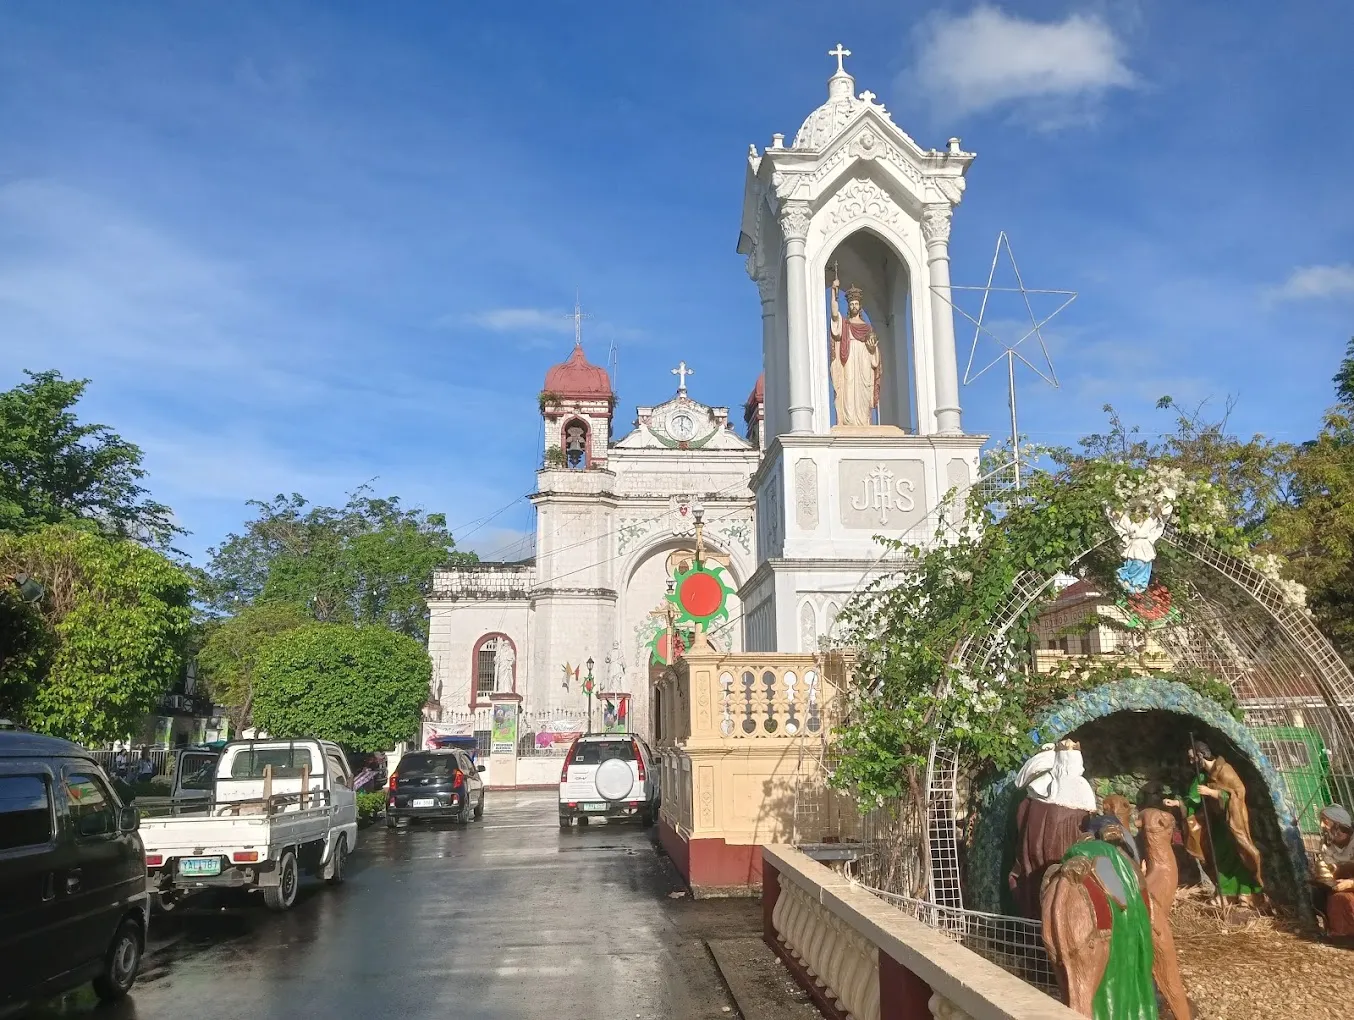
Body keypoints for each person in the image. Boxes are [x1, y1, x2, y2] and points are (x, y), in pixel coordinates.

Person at [1313, 804, 1354, 937]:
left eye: (1326, 822)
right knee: (1322, 895)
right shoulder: (1326, 844)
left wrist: (1350, 883)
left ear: (1339, 826)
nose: (1322, 826)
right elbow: (1324, 866)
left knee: (1342, 899)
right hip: (1338, 884)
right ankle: (1338, 935)